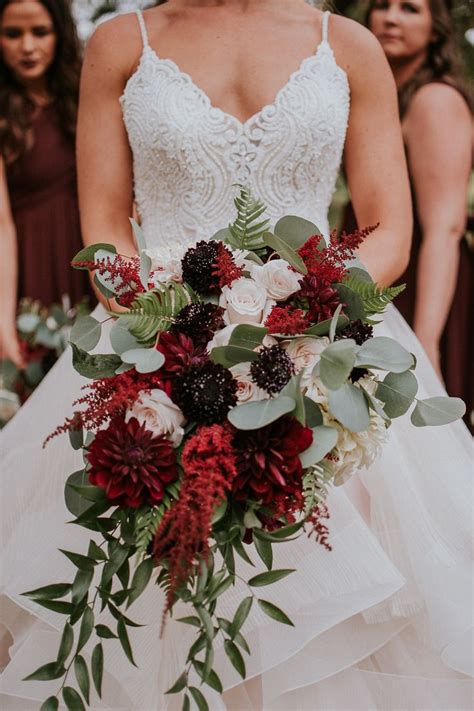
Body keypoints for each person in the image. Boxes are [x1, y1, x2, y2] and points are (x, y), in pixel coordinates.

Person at [0, 2, 472, 709]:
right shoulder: (120, 43)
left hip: (320, 351)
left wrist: (295, 336)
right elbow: (104, 234)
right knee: (154, 603)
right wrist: (176, 342)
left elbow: (389, 229)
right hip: (153, 354)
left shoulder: (347, 44)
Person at [345, 0, 473, 429]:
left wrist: (426, 341)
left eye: (410, 9)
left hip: (423, 284)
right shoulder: (381, 99)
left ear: (435, 30)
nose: (391, 18)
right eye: (381, 6)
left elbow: (445, 227)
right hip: (380, 275)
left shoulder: (434, 100)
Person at [0, 0, 94, 370]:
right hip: (31, 267)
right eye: (12, 34)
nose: (27, 47)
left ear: (60, 35)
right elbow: (1, 223)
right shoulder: (5, 116)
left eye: (40, 32)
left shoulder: (86, 95)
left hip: (92, 256)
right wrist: (3, 320)